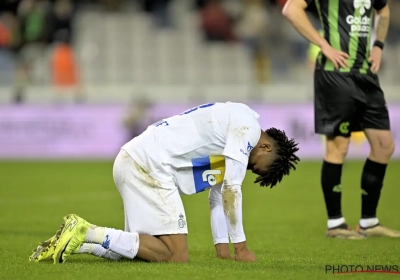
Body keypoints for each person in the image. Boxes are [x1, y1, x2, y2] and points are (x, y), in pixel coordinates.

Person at [29, 102, 300, 263]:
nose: (250, 170)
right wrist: (240, 247)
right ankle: (87, 230)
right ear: (265, 147)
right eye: (256, 167)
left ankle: (72, 242)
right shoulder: (247, 129)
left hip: (133, 158)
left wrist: (223, 250)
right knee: (176, 255)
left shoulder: (233, 126)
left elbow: (217, 195)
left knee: (144, 249)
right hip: (149, 164)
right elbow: (231, 189)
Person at [282, 0, 399, 239]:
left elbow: (383, 10)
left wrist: (378, 45)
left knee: (384, 145)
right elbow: (291, 9)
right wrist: (323, 45)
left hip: (366, 74)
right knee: (338, 146)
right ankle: (335, 223)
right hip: (335, 75)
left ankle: (369, 221)